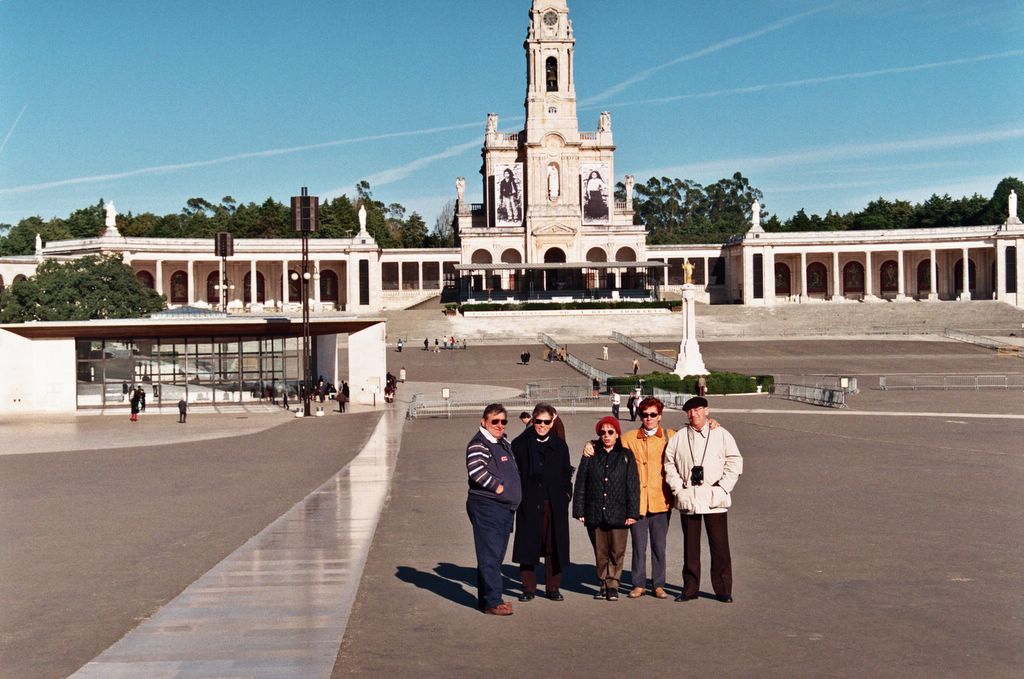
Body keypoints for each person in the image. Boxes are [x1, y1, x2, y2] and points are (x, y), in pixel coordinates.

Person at [582, 397, 676, 599]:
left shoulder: (670, 436)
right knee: (638, 546)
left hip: (660, 499)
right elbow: (609, 441)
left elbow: (691, 437)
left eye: (653, 414)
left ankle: (658, 584)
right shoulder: (630, 437)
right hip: (638, 502)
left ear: (660, 416)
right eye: (645, 414)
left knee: (659, 546)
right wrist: (590, 443)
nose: (648, 418)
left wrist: (712, 422)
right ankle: (638, 584)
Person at [664, 396, 743, 603]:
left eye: (698, 409)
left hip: (714, 498)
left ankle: (723, 589)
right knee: (690, 548)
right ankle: (690, 589)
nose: (694, 414)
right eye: (690, 411)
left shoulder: (721, 434)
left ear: (707, 411)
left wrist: (723, 487)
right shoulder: (679, 437)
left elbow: (734, 461)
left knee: (720, 546)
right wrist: (678, 489)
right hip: (688, 497)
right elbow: (669, 464)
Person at [511, 403, 574, 602]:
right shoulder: (520, 444)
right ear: (533, 420)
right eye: (538, 421)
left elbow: (566, 472)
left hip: (554, 503)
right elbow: (513, 473)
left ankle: (552, 588)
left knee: (553, 546)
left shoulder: (560, 445)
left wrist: (566, 494)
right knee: (528, 545)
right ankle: (528, 588)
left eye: (546, 422)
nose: (542, 426)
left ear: (552, 423)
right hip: (529, 502)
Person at [572, 416, 639, 601]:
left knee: (617, 551)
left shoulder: (626, 455)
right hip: (595, 510)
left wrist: (633, 512)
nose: (606, 435)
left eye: (610, 432)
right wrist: (579, 510)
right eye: (602, 432)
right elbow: (581, 483)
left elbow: (633, 485)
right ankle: (603, 583)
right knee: (600, 551)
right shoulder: (591, 454)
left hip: (619, 511)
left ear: (617, 434)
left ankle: (613, 584)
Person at [466, 404, 522, 615]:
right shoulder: (479, 443)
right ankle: (493, 601)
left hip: (503, 508)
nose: (500, 425)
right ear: (484, 422)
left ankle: (487, 599)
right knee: (490, 555)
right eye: (495, 421)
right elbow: (475, 470)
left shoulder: (502, 442)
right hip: (487, 506)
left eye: (503, 421)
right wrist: (498, 486)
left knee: (494, 555)